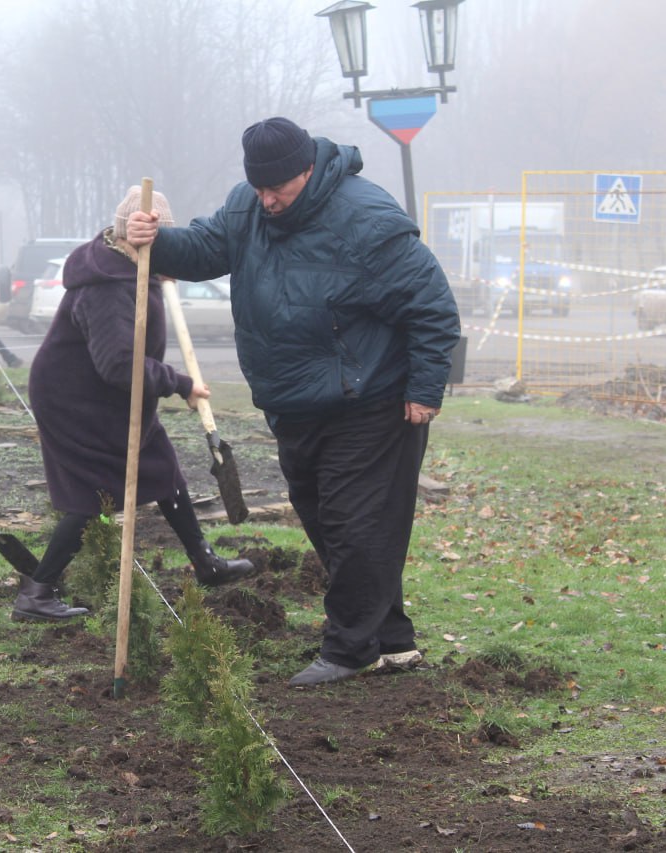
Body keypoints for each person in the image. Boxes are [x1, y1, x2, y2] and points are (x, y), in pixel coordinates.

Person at [126, 118, 460, 684]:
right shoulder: (249, 209)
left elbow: (432, 307)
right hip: (294, 403)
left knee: (355, 525)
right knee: (332, 524)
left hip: (370, 398)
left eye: (277, 188)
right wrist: (152, 238)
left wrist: (425, 390)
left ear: (307, 169)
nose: (267, 200)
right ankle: (391, 640)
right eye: (258, 188)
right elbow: (206, 247)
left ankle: (349, 649)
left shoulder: (366, 218)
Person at [14, 187, 254, 622]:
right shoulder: (108, 286)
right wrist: (179, 383)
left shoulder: (134, 268)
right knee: (93, 494)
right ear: (136, 234)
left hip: (111, 395)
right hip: (76, 399)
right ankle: (37, 593)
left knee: (162, 466)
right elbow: (119, 364)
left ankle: (205, 563)